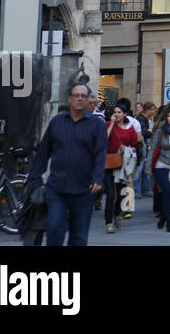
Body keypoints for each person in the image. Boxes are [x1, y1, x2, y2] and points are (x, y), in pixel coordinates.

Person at [30, 82, 108, 246]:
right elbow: (43, 152)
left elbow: (100, 154)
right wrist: (36, 180)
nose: (80, 99)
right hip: (57, 188)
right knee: (55, 227)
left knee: (79, 236)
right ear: (70, 99)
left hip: (84, 189)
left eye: (83, 96)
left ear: (88, 100)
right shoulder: (57, 122)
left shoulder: (97, 125)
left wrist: (98, 178)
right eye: (76, 95)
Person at [104, 103, 140, 233]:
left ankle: (117, 213)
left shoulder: (130, 130)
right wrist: (112, 124)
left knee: (120, 194)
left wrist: (127, 149)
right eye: (115, 112)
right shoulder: (108, 125)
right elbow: (104, 139)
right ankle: (108, 223)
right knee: (110, 194)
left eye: (119, 112)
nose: (116, 114)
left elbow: (135, 146)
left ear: (125, 114)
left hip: (122, 164)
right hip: (108, 162)